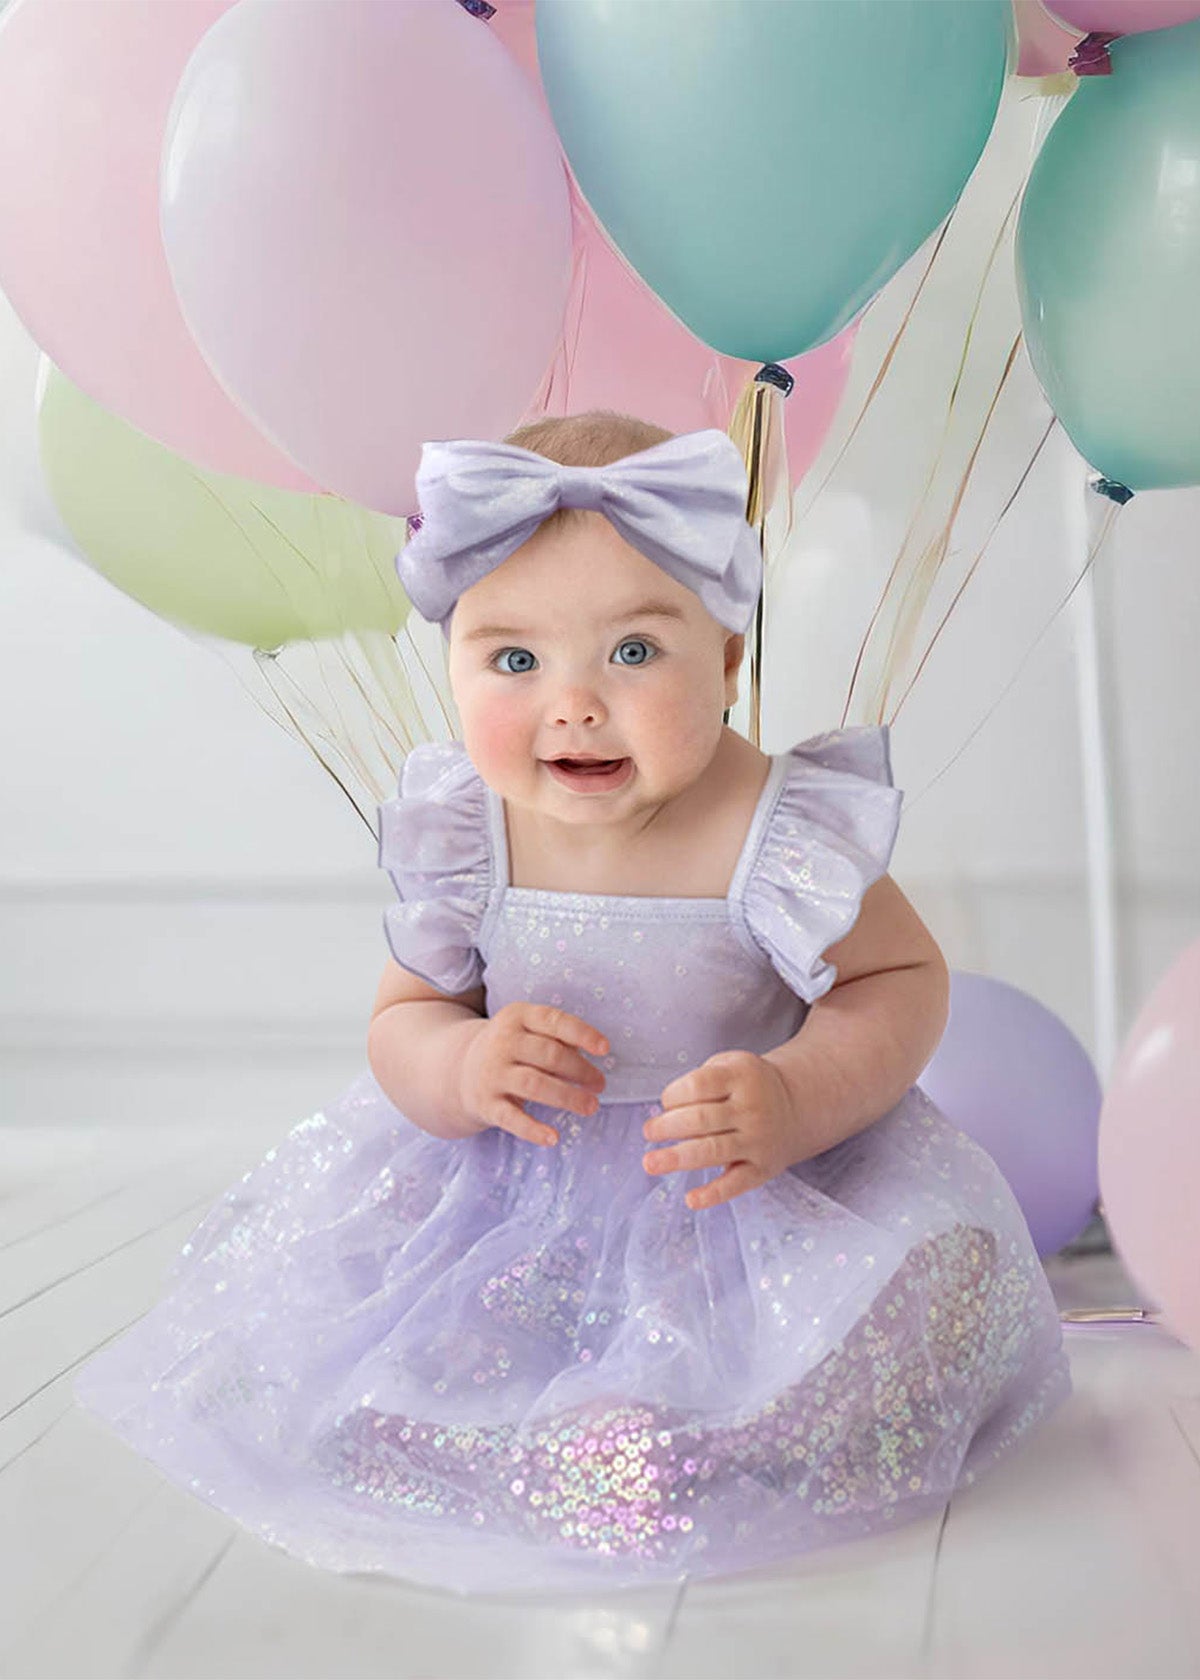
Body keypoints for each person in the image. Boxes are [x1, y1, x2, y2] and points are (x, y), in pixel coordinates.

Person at [74, 411, 1072, 1596]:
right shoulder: (466, 831)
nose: (574, 703)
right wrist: (460, 1067)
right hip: (514, 1199)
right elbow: (403, 1019)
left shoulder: (775, 825)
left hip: (736, 1185)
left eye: (636, 654)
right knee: (418, 1346)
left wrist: (798, 1093)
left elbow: (900, 983)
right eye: (513, 660)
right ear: (451, 665)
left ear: (732, 665)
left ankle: (709, 1444)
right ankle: (508, 1438)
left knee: (887, 1311)